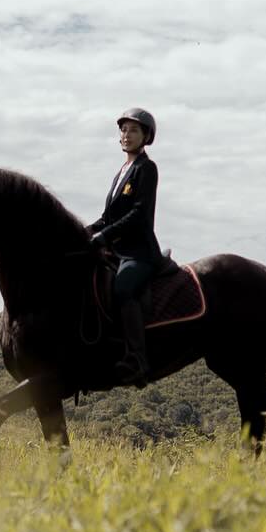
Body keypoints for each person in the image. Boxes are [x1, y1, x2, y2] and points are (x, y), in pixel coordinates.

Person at [86, 107, 163, 384]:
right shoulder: (121, 172)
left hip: (138, 252)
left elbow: (139, 214)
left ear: (146, 137)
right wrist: (86, 231)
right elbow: (108, 217)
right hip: (117, 251)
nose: (126, 135)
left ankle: (137, 358)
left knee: (123, 287)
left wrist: (104, 236)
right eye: (124, 130)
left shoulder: (146, 168)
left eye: (133, 130)